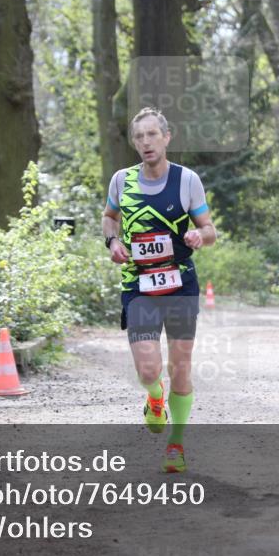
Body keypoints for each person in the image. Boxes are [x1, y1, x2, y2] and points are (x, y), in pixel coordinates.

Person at [102, 107, 216, 473]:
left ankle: (176, 444)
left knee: (180, 366)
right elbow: (109, 218)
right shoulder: (122, 180)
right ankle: (154, 398)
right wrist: (112, 242)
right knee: (149, 369)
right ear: (134, 143)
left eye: (153, 135)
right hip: (139, 284)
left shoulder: (186, 181)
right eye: (139, 137)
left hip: (181, 284)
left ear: (167, 137)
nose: (146, 142)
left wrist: (200, 235)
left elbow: (209, 229)